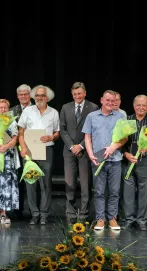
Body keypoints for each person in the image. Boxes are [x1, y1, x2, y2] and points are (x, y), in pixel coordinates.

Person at [82, 90, 127, 231]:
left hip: (115, 160)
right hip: (98, 160)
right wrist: (90, 154)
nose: (110, 103)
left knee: (114, 191)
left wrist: (114, 147)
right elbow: (87, 138)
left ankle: (112, 218)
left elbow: (125, 138)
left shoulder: (120, 117)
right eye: (107, 100)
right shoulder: (92, 116)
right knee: (99, 191)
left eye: (113, 101)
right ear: (101, 100)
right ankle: (100, 219)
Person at [18, 85, 60, 225]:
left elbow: (57, 132)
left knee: (45, 184)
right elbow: (21, 131)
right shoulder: (28, 111)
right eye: (37, 96)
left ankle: (44, 214)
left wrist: (51, 138)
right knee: (30, 183)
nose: (39, 98)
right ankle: (34, 214)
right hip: (30, 150)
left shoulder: (53, 112)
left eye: (42, 95)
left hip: (46, 150)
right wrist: (23, 147)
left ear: (47, 97)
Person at [122, 95, 147, 231]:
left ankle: (141, 220)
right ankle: (129, 219)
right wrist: (126, 154)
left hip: (146, 160)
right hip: (128, 160)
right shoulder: (127, 120)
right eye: (138, 105)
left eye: (144, 105)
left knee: (144, 191)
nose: (141, 108)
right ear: (134, 106)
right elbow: (120, 140)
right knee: (128, 191)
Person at [60, 82, 99, 224]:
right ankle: (70, 214)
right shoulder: (65, 107)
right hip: (69, 151)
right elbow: (62, 129)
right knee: (69, 183)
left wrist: (81, 146)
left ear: (85, 93)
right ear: (72, 94)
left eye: (80, 93)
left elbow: (94, 130)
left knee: (85, 184)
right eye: (75, 94)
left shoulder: (93, 107)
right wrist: (72, 146)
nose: (77, 96)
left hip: (85, 150)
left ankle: (83, 214)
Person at [10, 84, 33, 219]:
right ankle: (17, 209)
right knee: (17, 180)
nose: (23, 96)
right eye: (21, 94)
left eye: (25, 94)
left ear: (29, 95)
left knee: (31, 179)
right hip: (15, 150)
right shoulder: (12, 111)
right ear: (18, 96)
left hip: (33, 149)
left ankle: (33, 209)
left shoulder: (37, 109)